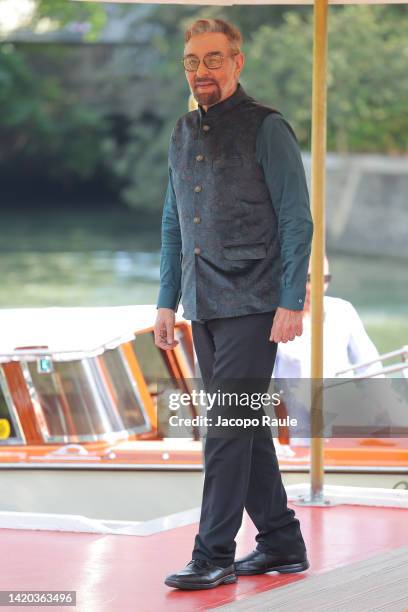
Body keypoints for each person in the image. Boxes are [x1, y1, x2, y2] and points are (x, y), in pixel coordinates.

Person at [154, 18, 313, 590]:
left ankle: (214, 553)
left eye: (213, 59)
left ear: (237, 62)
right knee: (241, 424)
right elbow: (174, 221)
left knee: (223, 427)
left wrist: (291, 301)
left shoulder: (267, 127)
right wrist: (166, 301)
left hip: (255, 301)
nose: (202, 71)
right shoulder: (181, 132)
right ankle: (280, 541)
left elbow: (297, 218)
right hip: (203, 302)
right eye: (192, 61)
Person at [273, 255, 384, 448]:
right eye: (307, 279)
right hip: (296, 437)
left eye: (323, 279)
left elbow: (371, 369)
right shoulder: (272, 320)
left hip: (345, 428)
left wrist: (382, 409)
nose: (315, 287)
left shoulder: (343, 310)